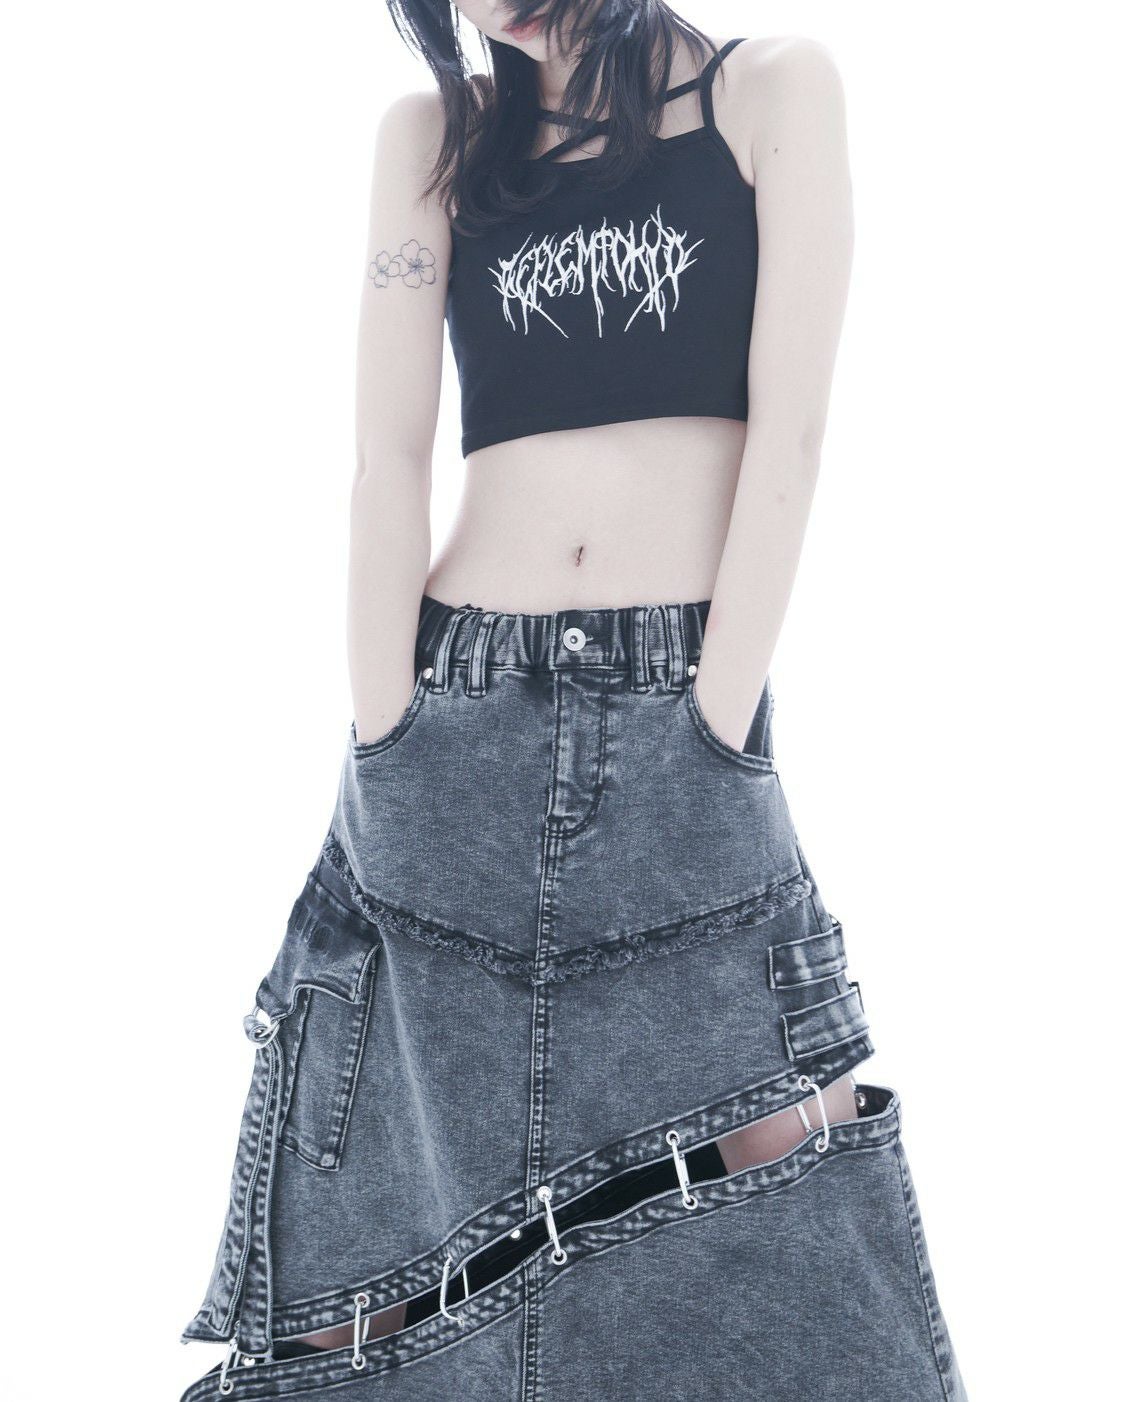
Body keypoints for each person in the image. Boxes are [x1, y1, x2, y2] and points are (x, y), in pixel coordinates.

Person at [181, 4, 967, 1398]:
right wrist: (385, 728)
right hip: (450, 717)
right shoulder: (436, 140)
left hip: (680, 711)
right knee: (395, 1231)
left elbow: (791, 435)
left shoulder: (770, 94)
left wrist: (718, 713)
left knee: (778, 1160)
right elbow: (385, 458)